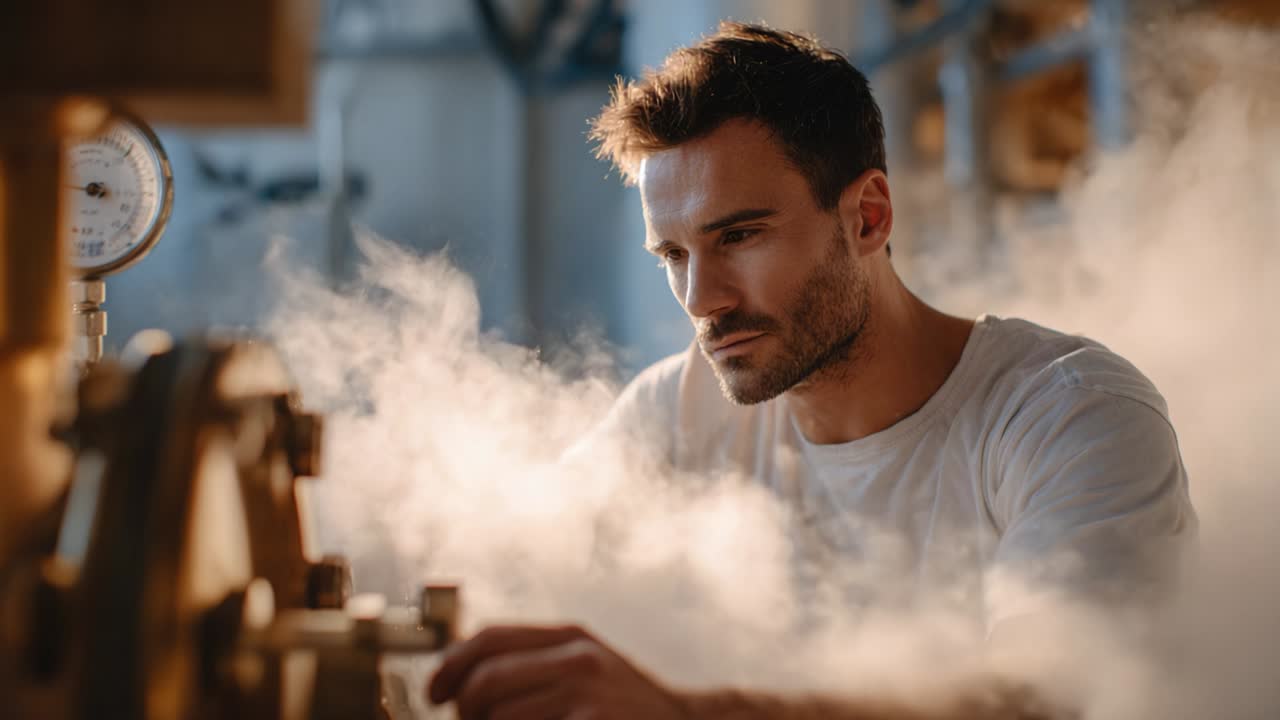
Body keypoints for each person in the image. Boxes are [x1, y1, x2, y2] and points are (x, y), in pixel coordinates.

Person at [427, 21, 1196, 719]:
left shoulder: (1068, 413)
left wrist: (685, 715)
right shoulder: (679, 408)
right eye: (673, 255)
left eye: (740, 236)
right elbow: (509, 563)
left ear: (867, 217)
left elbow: (1041, 700)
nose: (703, 300)